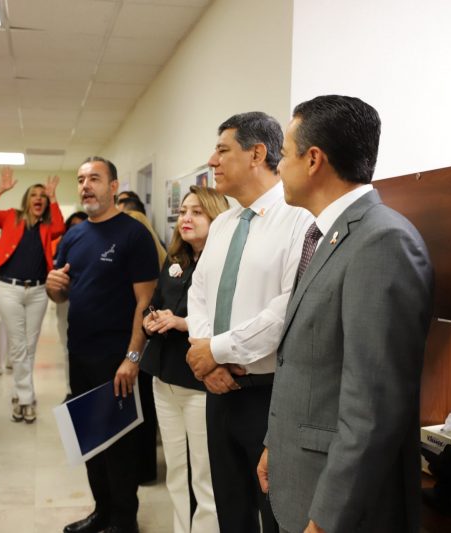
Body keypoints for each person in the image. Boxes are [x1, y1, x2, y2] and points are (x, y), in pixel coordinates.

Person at [258, 95, 434, 533]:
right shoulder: (327, 236)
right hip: (301, 474)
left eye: (284, 154)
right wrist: (275, 443)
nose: (278, 167)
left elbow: (373, 406)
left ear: (313, 159)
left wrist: (327, 519)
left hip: (340, 507)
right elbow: (307, 363)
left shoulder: (382, 242)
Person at [184, 112, 312, 533]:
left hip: (268, 397)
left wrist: (216, 350)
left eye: (222, 150)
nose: (212, 161)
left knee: (276, 516)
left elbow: (287, 309)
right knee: (230, 512)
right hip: (218, 391)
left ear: (257, 154)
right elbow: (199, 293)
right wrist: (208, 358)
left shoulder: (299, 220)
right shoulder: (223, 224)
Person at [47, 156, 158, 533]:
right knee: (90, 438)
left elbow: (146, 302)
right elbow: (62, 293)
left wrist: (132, 357)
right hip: (80, 354)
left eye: (94, 178)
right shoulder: (74, 236)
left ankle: (125, 521)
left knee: (119, 444)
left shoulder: (133, 234)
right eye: (81, 180)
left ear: (113, 186)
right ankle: (102, 512)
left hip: (117, 358)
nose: (85, 186)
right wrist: (53, 289)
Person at [141, 185, 229, 533]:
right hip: (163, 378)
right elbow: (157, 301)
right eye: (182, 212)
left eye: (196, 212)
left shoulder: (224, 262)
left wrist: (181, 322)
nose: (186, 219)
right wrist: (151, 320)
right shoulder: (175, 259)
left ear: (216, 217)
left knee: (205, 477)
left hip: (198, 382)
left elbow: (227, 318)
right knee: (176, 473)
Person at [0, 167, 65, 423]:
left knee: (29, 345)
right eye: (34, 194)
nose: (39, 198)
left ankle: (19, 393)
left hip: (37, 291)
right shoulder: (11, 217)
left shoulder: (47, 227)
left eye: (43, 196)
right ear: (27, 200)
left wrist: (54, 198)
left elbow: (60, 226)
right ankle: (26, 399)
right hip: (9, 289)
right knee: (18, 345)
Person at [52, 211, 89, 402]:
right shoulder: (65, 245)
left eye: (81, 224)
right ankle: (70, 390)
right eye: (73, 226)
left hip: (91, 304)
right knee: (68, 348)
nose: (78, 229)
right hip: (67, 302)